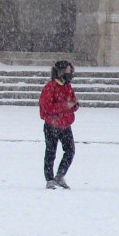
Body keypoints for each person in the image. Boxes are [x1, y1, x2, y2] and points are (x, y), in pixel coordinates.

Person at [39, 60, 79, 189]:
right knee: (51, 152)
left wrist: (74, 106)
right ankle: (49, 179)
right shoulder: (50, 87)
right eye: (67, 71)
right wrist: (64, 106)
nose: (70, 74)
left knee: (70, 150)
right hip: (52, 124)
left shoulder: (68, 87)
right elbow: (46, 107)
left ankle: (60, 175)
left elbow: (71, 102)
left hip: (65, 124)